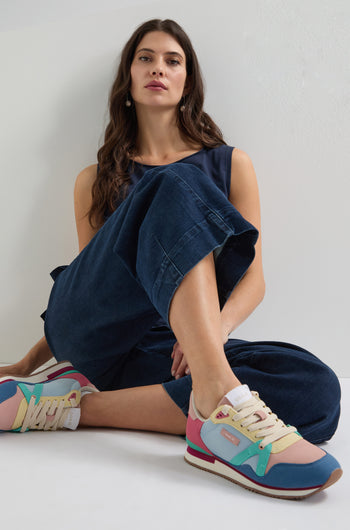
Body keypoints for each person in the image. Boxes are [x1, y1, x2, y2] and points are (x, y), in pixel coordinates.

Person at [0, 18, 342, 499]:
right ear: (128, 81)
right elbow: (90, 292)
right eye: (145, 57)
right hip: (103, 341)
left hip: (175, 353)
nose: (158, 67)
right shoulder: (92, 179)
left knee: (315, 389)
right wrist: (23, 363)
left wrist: (209, 340)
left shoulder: (230, 164)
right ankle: (213, 406)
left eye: (172, 60)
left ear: (187, 83)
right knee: (176, 183)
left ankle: (68, 407)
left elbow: (254, 279)